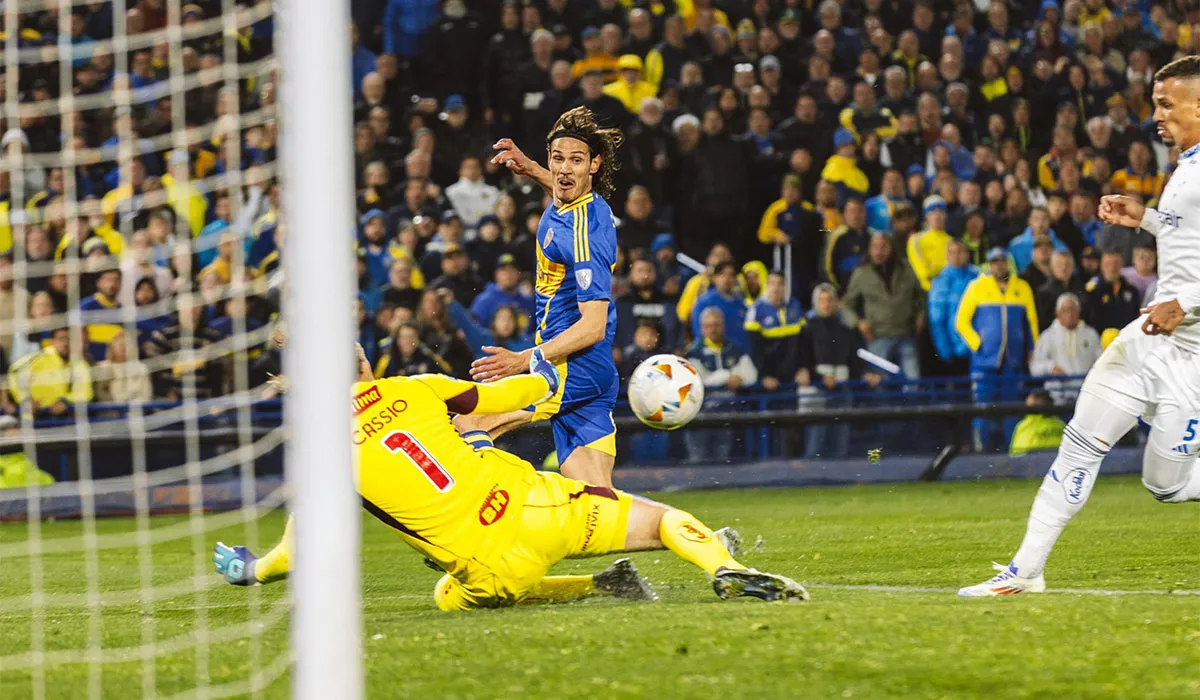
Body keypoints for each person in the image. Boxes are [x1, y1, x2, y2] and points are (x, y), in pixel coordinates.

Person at [214, 346, 807, 608]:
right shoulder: (415, 388)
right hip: (536, 508)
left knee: (448, 596)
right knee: (665, 519)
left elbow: (300, 548)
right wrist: (542, 374)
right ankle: (726, 569)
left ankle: (599, 586)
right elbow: (504, 393)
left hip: (489, 568)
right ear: (366, 364)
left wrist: (255, 569)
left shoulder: (322, 454)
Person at [960, 59, 1200, 596]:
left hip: (1193, 359)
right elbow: (1188, 235)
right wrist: (1145, 218)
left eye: (1166, 104)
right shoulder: (1187, 164)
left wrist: (1187, 302)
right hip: (1149, 339)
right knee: (1080, 444)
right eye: (1154, 101)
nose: (1155, 114)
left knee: (1166, 486)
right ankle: (1024, 572)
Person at [460, 107, 623, 487]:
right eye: (558, 159)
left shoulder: (585, 236)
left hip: (569, 369)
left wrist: (525, 359)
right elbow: (559, 185)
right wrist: (532, 168)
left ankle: (486, 521)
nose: (564, 170)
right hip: (594, 372)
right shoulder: (575, 200)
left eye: (577, 161)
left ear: (595, 165)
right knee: (596, 497)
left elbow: (594, 325)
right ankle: (696, 537)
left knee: (469, 422)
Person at [956, 247, 1039, 452]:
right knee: (982, 410)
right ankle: (982, 453)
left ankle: (1012, 451)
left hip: (1012, 360)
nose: (999, 265)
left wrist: (1031, 348)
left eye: (1002, 261)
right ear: (989, 265)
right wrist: (978, 344)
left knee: (1012, 409)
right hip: (985, 361)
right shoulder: (976, 287)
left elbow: (1031, 322)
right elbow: (961, 321)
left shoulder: (1022, 287)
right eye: (995, 262)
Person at [842, 233, 924, 379]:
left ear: (891, 248)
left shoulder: (906, 269)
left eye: (883, 247)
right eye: (874, 247)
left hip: (906, 335)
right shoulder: (861, 273)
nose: (878, 251)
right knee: (881, 386)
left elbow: (920, 297)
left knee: (913, 382)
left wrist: (920, 317)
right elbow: (847, 305)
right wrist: (859, 323)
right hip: (877, 337)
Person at [685, 307, 758, 463]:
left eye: (717, 324)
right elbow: (697, 381)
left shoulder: (735, 349)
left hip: (728, 411)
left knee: (724, 459)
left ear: (723, 326)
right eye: (709, 325)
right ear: (702, 328)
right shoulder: (693, 353)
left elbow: (751, 375)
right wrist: (726, 377)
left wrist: (740, 380)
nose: (713, 329)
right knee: (698, 458)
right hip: (700, 413)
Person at [1030, 293, 1102, 405]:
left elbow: (1100, 363)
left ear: (1079, 312)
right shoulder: (1047, 336)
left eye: (1073, 309)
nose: (1070, 314)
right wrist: (1051, 367)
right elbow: (1035, 367)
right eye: (1065, 310)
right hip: (1056, 398)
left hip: (1085, 396)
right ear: (1057, 313)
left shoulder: (1090, 335)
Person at [744, 271, 808, 391]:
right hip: (769, 381)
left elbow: (803, 342)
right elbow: (754, 348)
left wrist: (803, 367)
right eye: (772, 283)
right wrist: (764, 375)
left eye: (780, 284)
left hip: (794, 378)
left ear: (785, 287)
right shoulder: (756, 311)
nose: (776, 288)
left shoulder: (795, 306)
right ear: (766, 286)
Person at [928, 239, 979, 376]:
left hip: (979, 347)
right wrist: (945, 351)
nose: (957, 256)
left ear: (967, 254)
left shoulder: (979, 277)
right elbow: (937, 320)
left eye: (960, 252)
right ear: (946, 256)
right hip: (954, 349)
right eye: (952, 252)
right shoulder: (940, 281)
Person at [690, 261, 748, 349]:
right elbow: (699, 333)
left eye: (731, 275)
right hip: (712, 356)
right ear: (714, 278)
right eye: (722, 274)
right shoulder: (704, 302)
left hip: (739, 356)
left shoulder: (741, 304)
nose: (727, 278)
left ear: (736, 279)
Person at [1083, 250, 1140, 334]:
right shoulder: (1092, 291)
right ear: (1102, 266)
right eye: (1108, 264)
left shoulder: (1131, 290)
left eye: (1116, 263)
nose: (1112, 267)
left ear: (1122, 265)